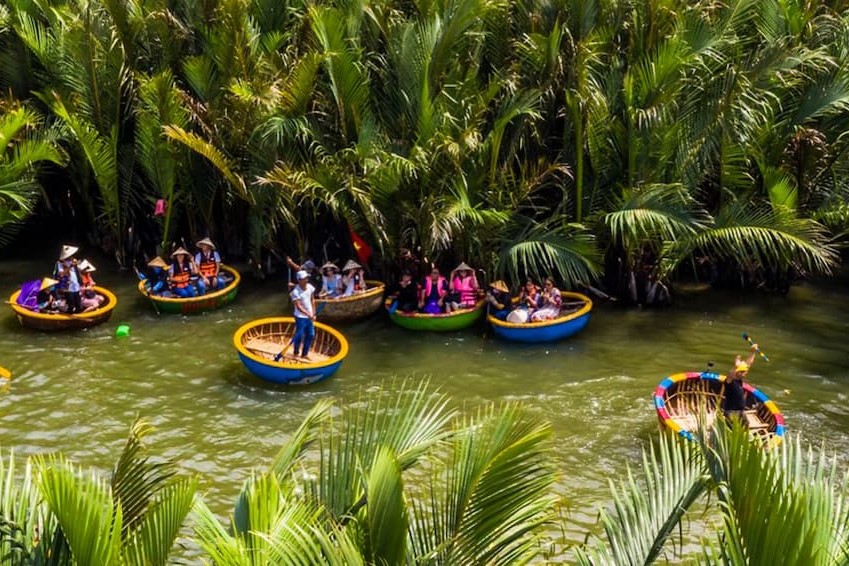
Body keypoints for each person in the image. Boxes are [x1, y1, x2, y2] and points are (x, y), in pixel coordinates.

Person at [722, 343, 759, 421]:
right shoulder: (730, 382)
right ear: (738, 372)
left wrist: (752, 352)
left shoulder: (739, 380)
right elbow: (730, 375)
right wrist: (735, 366)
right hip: (731, 412)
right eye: (743, 372)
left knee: (746, 427)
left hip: (741, 411)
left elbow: (748, 363)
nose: (746, 373)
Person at [290, 270, 316, 358]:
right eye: (304, 279)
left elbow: (312, 299)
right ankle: (296, 352)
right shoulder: (295, 292)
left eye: (307, 278)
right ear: (299, 280)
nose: (306, 280)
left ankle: (304, 354)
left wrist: (313, 312)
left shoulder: (310, 287)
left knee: (311, 334)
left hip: (310, 316)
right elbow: (298, 306)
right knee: (299, 335)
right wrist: (308, 314)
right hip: (300, 317)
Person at [54, 245, 82, 314]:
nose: (71, 256)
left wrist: (76, 265)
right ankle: (69, 318)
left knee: (78, 305)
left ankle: (78, 314)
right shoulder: (60, 264)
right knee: (71, 305)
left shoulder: (73, 261)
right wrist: (70, 266)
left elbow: (78, 272)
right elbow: (61, 274)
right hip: (68, 287)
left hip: (75, 285)